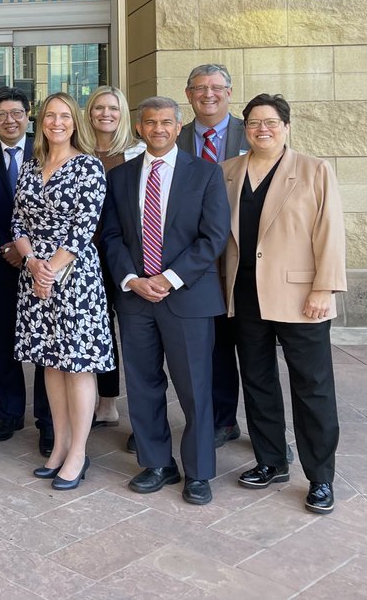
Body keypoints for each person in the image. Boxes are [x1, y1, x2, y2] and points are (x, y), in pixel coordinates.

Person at [101, 97, 230, 506]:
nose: (158, 129)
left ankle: (198, 472)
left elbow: (213, 238)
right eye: (151, 122)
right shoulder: (120, 177)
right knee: (142, 384)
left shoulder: (206, 174)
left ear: (179, 127)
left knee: (195, 388)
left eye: (167, 122)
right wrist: (132, 279)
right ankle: (156, 463)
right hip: (136, 299)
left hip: (187, 297)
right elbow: (111, 236)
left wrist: (169, 279)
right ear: (139, 127)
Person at [222, 94, 347, 515]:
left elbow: (329, 233)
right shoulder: (228, 172)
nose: (262, 129)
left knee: (311, 388)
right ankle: (271, 460)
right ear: (244, 128)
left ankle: (321, 477)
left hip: (300, 298)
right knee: (257, 384)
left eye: (271, 122)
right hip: (244, 296)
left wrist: (323, 289)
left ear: (286, 126)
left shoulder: (313, 170)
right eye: (254, 122)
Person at [11, 93, 112, 491]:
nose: (56, 122)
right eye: (50, 115)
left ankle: (79, 453)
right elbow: (17, 221)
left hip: (74, 277)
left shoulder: (88, 166)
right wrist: (33, 263)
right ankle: (60, 444)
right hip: (35, 274)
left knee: (77, 365)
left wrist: (49, 269)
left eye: (64, 116)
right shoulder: (31, 165)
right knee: (50, 364)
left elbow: (84, 228)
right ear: (41, 122)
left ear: (76, 122)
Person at [0, 86, 53, 454]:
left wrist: (25, 251)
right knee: (4, 343)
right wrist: (2, 246)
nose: (10, 120)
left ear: (28, 115)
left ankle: (47, 419)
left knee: (43, 343)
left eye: (16, 113)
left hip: (42, 266)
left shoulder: (47, 153)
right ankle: (9, 412)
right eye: (1, 114)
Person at [178, 63, 246, 448]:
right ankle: (221, 419)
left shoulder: (249, 133)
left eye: (216, 87)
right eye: (199, 88)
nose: (208, 94)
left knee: (249, 349)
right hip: (193, 260)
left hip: (241, 256)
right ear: (188, 94)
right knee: (211, 344)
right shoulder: (177, 136)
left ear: (229, 92)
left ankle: (264, 430)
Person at [85, 85, 144, 428]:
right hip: (85, 254)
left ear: (123, 114)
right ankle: (103, 402)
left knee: (134, 332)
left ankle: (137, 413)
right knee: (98, 330)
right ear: (89, 113)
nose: (106, 114)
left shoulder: (136, 153)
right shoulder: (78, 151)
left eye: (113, 108)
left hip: (126, 255)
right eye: (98, 108)